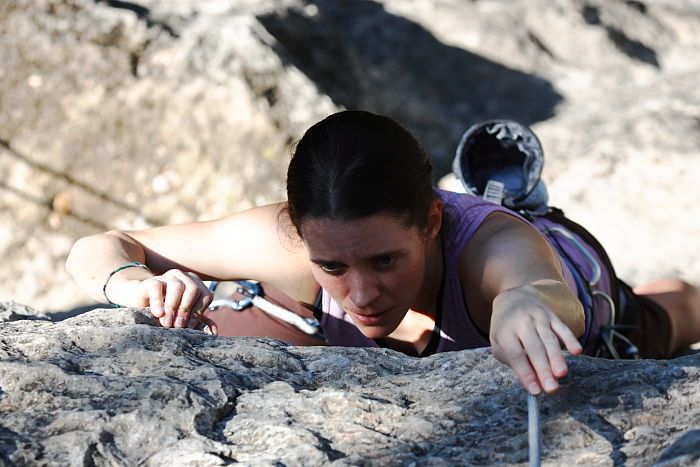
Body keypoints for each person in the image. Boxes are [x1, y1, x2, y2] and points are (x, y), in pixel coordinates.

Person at [66, 110, 700, 396]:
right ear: (299, 233)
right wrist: (130, 282)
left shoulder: (489, 249)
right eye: (332, 267)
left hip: (573, 274)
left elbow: (537, 286)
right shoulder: (286, 241)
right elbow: (100, 246)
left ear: (430, 219)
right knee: (241, 317)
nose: (362, 293)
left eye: (384, 260)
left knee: (660, 319)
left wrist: (522, 308)